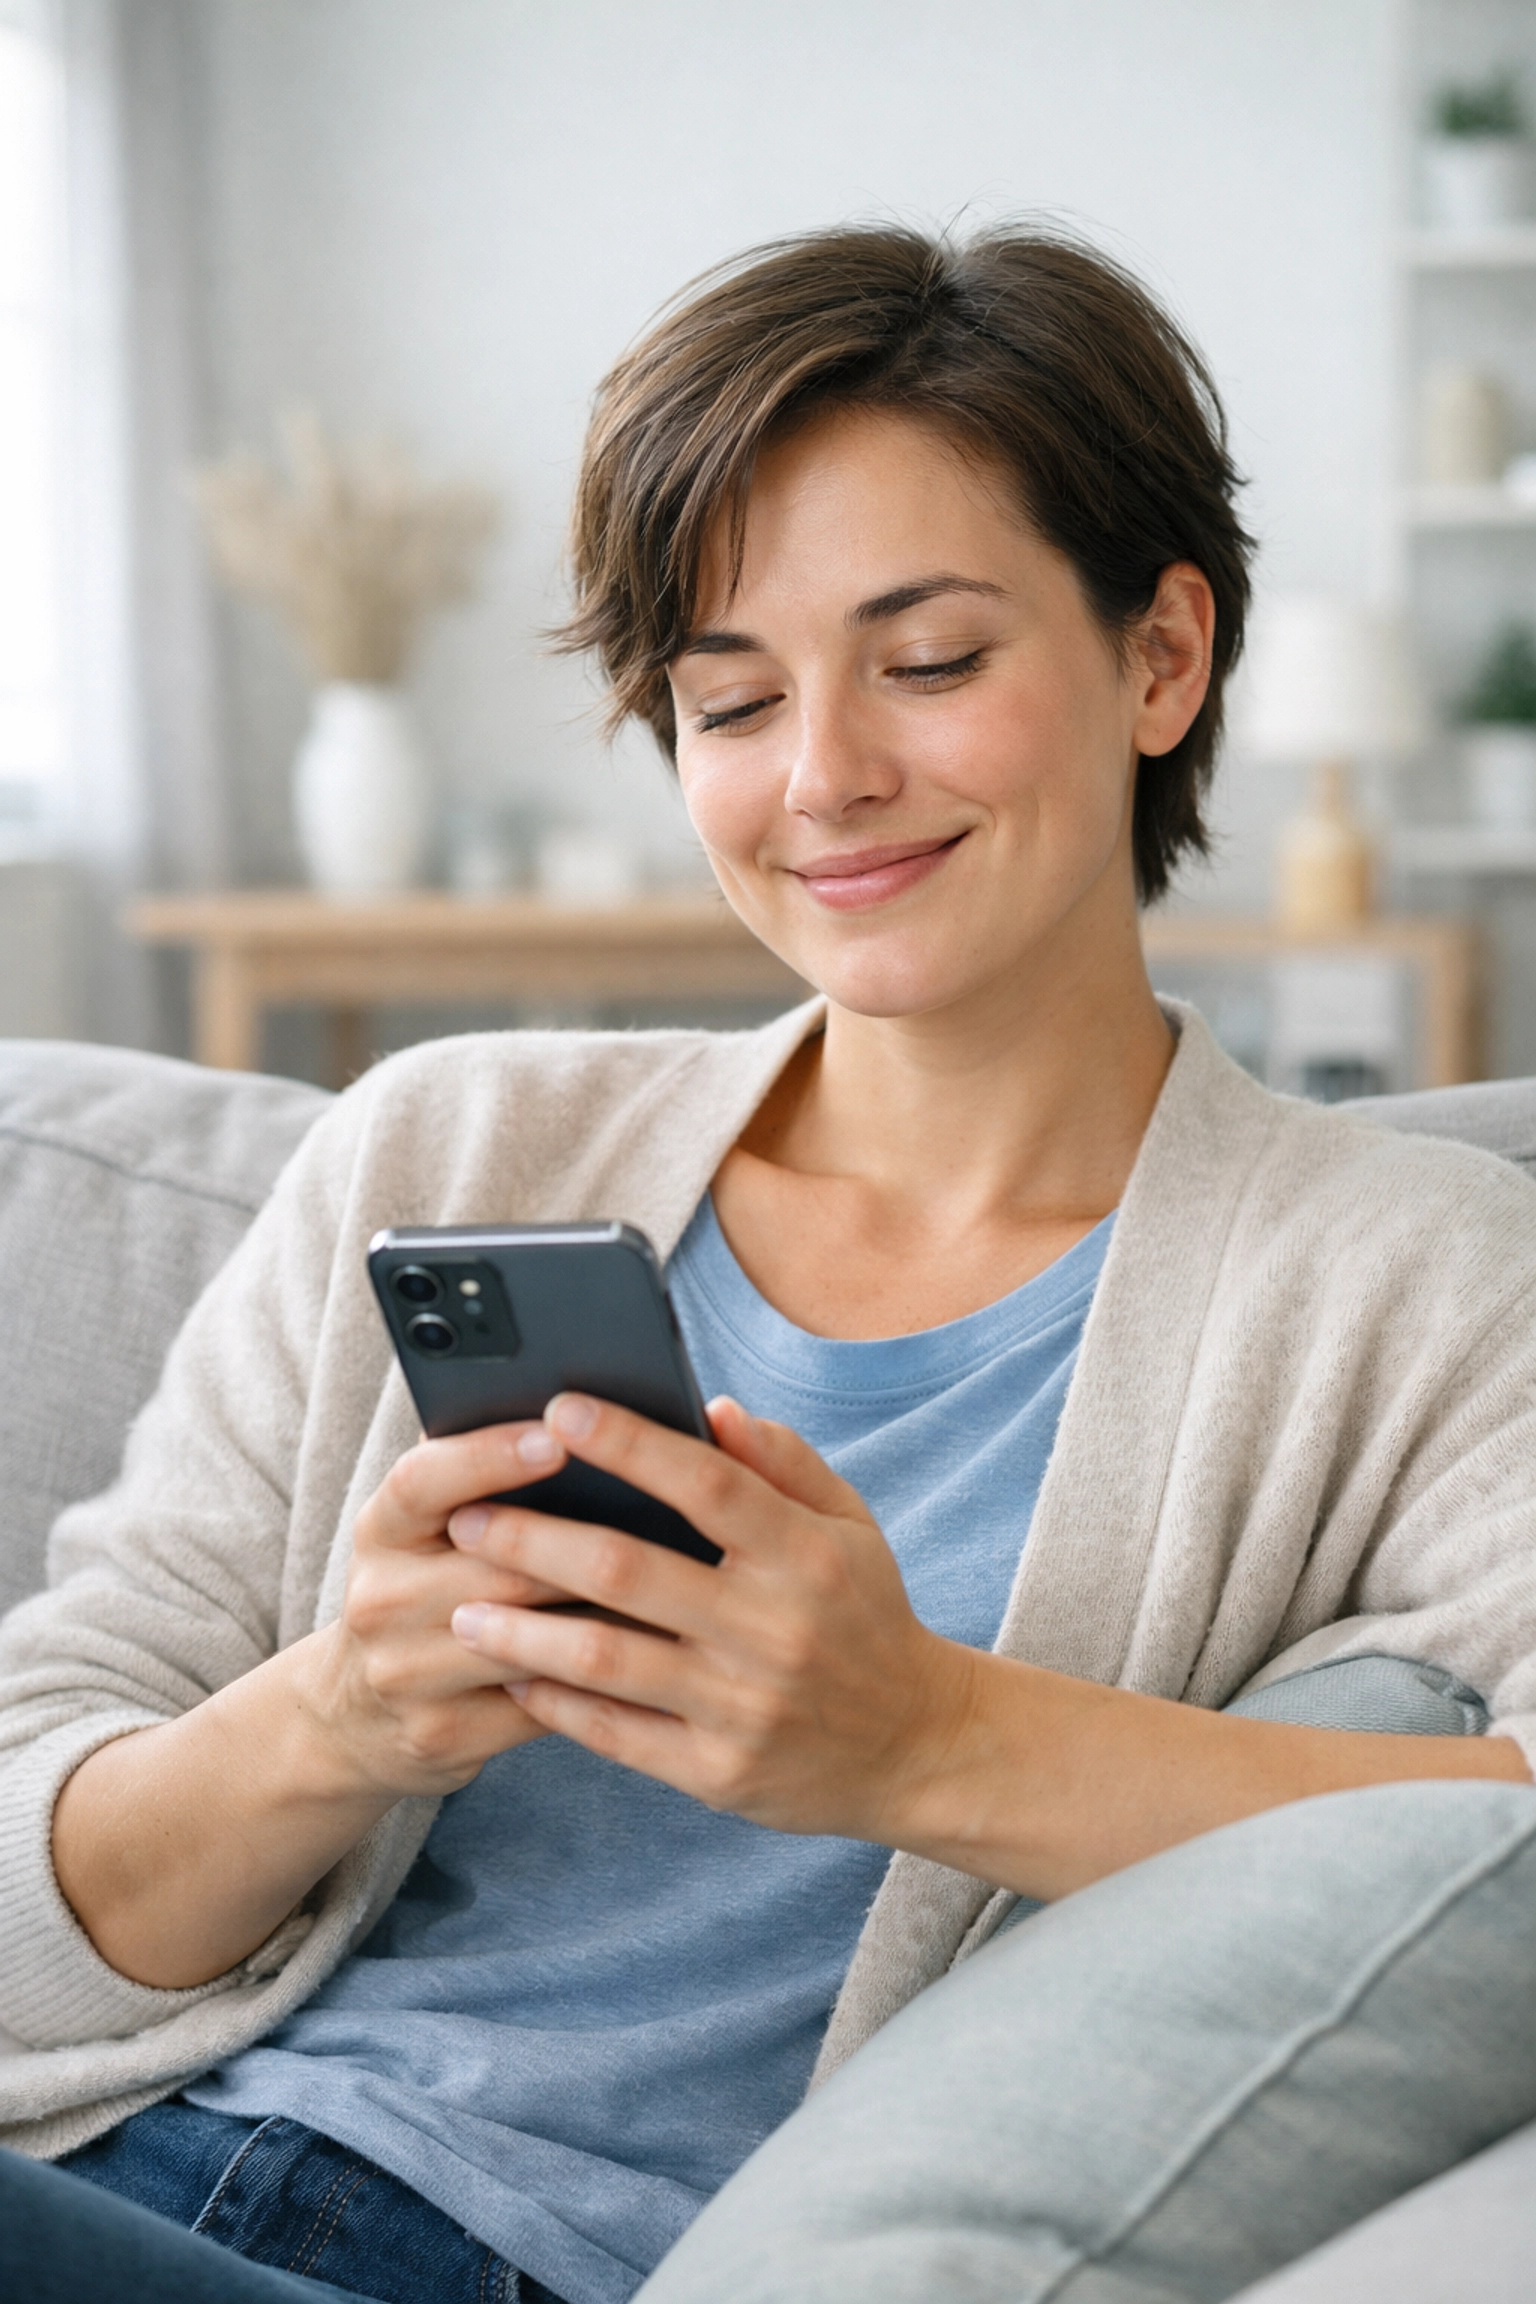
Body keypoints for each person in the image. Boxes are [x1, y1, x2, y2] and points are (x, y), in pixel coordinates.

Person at [1, 224, 1534, 2304]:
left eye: (928, 663)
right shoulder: (451, 1144)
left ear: (1162, 658)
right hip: (132, 2174)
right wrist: (340, 1717)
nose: (821, 778)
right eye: (730, 698)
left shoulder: (1421, 1283)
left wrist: (921, 1742)